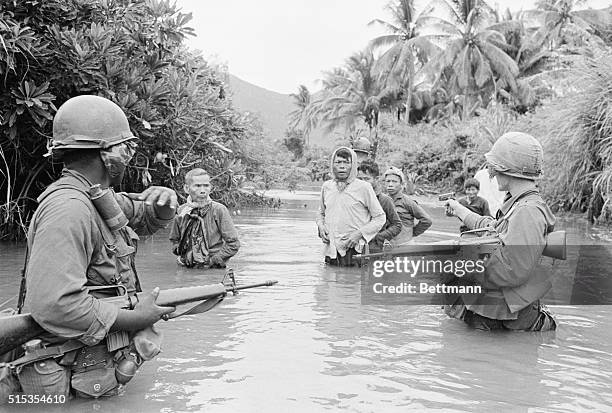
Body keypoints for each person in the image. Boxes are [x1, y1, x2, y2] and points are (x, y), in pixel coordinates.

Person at [11, 95, 177, 399]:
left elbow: (144, 215)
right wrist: (138, 318)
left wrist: (166, 203)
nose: (128, 155)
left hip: (92, 371)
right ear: (105, 154)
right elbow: (56, 305)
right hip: (61, 375)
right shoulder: (69, 209)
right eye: (123, 147)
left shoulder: (96, 197)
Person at [444, 132, 557, 331]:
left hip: (504, 317)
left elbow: (511, 271)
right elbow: (493, 228)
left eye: (495, 167)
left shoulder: (527, 211)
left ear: (508, 168)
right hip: (495, 311)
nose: (492, 173)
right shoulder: (519, 203)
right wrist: (461, 211)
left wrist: (462, 263)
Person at [316, 147, 385, 266]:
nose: (342, 166)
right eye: (338, 162)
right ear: (332, 165)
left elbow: (380, 218)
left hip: (354, 249)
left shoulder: (364, 187)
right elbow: (321, 213)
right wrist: (321, 227)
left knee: (353, 282)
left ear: (353, 166)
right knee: (328, 281)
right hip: (330, 250)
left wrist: (358, 234)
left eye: (346, 162)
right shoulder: (327, 187)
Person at [169, 168, 240, 268]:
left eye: (206, 186)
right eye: (197, 186)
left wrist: (213, 261)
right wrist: (183, 255)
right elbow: (174, 240)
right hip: (187, 267)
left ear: (210, 188)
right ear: (186, 188)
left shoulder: (219, 210)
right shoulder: (182, 211)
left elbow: (234, 244)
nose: (202, 190)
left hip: (213, 268)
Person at [356, 160, 402, 252]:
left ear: (376, 179)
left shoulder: (384, 200)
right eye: (360, 179)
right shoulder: (353, 198)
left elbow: (397, 225)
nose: (363, 183)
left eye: (367, 179)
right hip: (354, 245)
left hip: (374, 248)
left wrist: (379, 237)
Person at [384, 166, 432, 245]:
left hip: (405, 244)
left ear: (401, 184)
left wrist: (412, 233)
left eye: (394, 181)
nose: (390, 184)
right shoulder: (381, 201)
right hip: (387, 246)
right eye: (388, 181)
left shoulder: (408, 202)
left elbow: (427, 220)